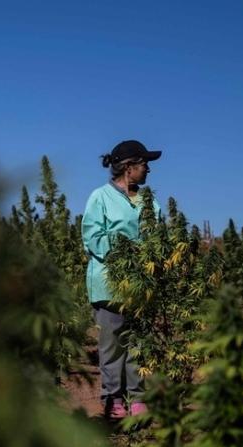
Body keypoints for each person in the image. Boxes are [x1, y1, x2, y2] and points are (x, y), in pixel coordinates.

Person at [81, 139, 161, 420]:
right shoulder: (100, 197)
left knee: (138, 344)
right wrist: (126, 250)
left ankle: (138, 398)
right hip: (109, 284)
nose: (148, 169)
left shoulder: (150, 202)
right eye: (144, 164)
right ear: (129, 168)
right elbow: (93, 237)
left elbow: (157, 237)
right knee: (112, 345)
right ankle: (113, 399)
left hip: (141, 285)